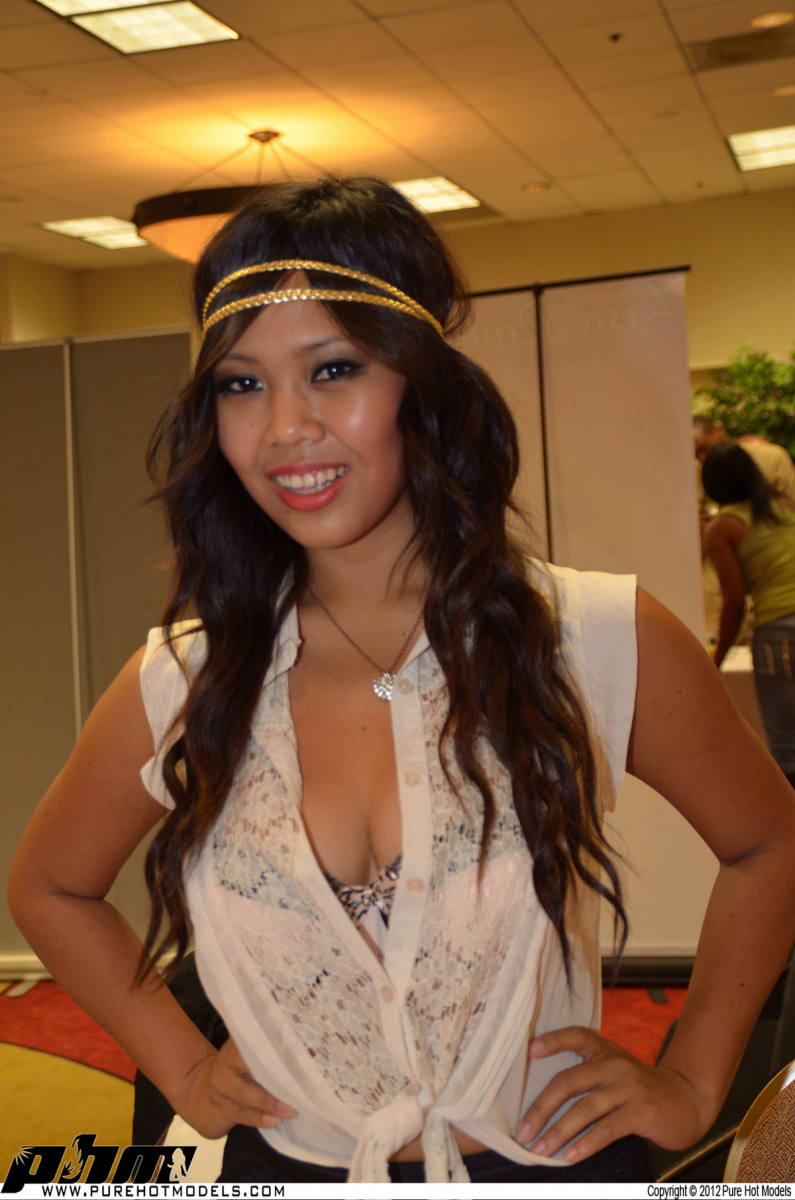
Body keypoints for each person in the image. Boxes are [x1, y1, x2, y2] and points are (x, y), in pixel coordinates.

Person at [8, 176, 795, 1185]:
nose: (284, 427)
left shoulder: (589, 637)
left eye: (333, 368)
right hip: (283, 1165)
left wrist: (691, 1079)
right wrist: (186, 1069)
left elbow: (770, 842)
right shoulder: (185, 680)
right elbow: (50, 886)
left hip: (542, 1162)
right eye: (241, 385)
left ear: (421, 383)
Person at [702, 440, 795, 789]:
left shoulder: (722, 529)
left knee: (787, 750)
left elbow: (735, 602)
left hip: (780, 636)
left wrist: (717, 661)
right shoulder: (783, 505)